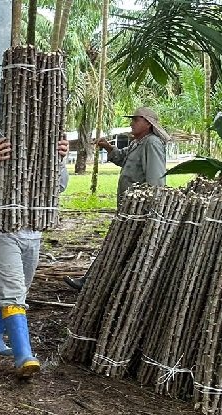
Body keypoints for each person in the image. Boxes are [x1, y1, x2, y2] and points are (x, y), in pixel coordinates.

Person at [0, 137, 69, 378]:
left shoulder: (46, 149)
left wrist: (60, 161)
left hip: (33, 231)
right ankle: (24, 355)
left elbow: (61, 186)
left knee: (15, 289)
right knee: (14, 291)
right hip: (1, 231)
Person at [65, 106, 169, 291]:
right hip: (128, 208)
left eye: (136, 120)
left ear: (147, 123)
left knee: (116, 245)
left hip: (139, 210)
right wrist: (108, 147)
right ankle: (94, 282)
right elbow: (123, 158)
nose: (131, 123)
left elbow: (156, 180)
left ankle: (92, 282)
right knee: (117, 245)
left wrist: (150, 209)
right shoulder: (139, 142)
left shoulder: (151, 143)